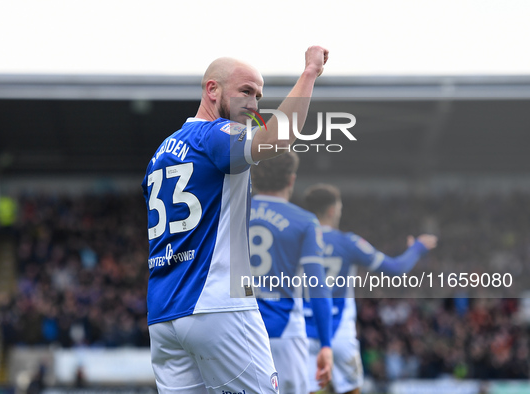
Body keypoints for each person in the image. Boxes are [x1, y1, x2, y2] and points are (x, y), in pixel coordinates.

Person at [142, 46, 329, 393]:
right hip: (217, 304)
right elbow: (276, 138)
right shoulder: (213, 135)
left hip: (165, 316)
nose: (254, 105)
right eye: (245, 91)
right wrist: (309, 73)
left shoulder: (161, 152)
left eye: (259, 95)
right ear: (212, 90)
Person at [303, 184, 437, 394]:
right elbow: (397, 268)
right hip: (339, 333)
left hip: (304, 333)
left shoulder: (297, 241)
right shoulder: (347, 242)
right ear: (332, 210)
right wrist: (417, 248)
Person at [249, 152, 333, 393]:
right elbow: (317, 287)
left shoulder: (229, 214)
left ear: (253, 174)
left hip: (237, 331)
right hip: (284, 334)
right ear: (291, 180)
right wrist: (326, 344)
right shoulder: (305, 221)